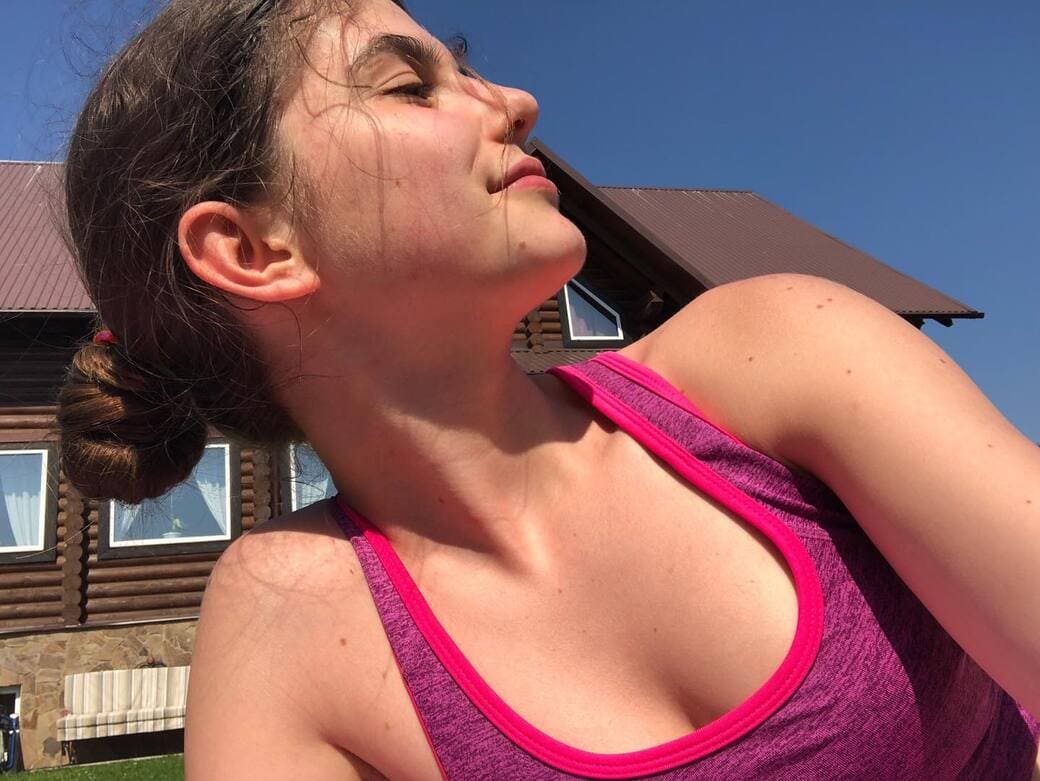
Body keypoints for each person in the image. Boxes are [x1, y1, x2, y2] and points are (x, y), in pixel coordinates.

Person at [56, 0, 1039, 778]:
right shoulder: (284, 620)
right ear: (253, 249)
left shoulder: (771, 355)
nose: (516, 100)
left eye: (463, 68)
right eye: (408, 85)